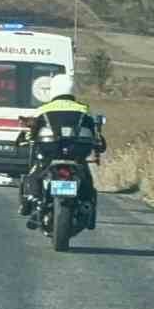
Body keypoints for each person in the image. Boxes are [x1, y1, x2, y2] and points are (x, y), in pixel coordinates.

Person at [16, 73, 106, 229]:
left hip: (50, 153)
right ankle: (86, 204)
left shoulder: (43, 109)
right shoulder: (83, 109)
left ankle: (35, 202)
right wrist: (98, 145)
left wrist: (25, 138)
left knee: (35, 175)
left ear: (53, 90)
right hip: (77, 154)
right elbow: (94, 133)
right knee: (86, 177)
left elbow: (32, 132)